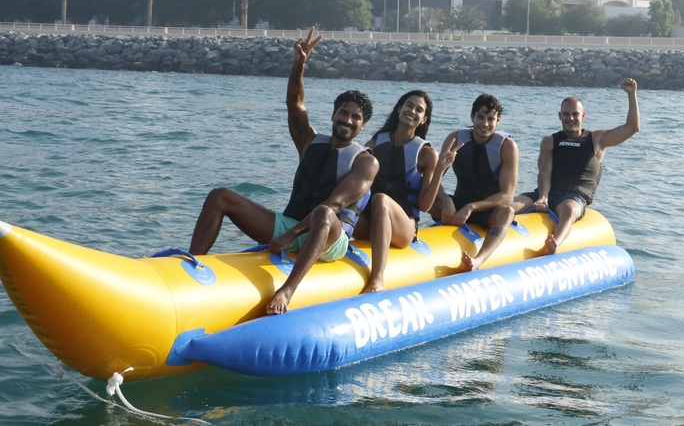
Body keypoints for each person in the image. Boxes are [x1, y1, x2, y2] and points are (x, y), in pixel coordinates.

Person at [185, 27, 378, 315]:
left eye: (355, 117)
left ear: (362, 127)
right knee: (219, 196)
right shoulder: (310, 142)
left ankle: (287, 291)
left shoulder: (365, 161)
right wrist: (298, 65)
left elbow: (335, 204)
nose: (347, 120)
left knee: (325, 212)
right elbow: (295, 104)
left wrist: (290, 237)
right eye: (343, 112)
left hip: (330, 238)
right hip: (290, 225)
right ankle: (190, 266)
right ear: (333, 114)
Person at [513, 77, 640, 255]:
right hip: (546, 193)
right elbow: (545, 171)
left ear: (583, 116)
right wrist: (542, 197)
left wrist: (631, 94)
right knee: (512, 205)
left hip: (574, 197)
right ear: (559, 115)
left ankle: (553, 244)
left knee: (569, 209)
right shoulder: (550, 141)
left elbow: (631, 128)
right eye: (566, 114)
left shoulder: (597, 139)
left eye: (575, 114)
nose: (570, 118)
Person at [353, 90, 460, 293]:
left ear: (423, 119)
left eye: (419, 110)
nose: (412, 111)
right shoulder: (374, 144)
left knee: (381, 200)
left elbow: (425, 206)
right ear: (399, 108)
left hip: (404, 228)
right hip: (372, 223)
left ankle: (377, 279)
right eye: (409, 105)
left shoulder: (426, 153)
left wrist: (439, 170)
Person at [432, 93, 519, 272]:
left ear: (498, 120)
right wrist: (446, 200)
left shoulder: (507, 146)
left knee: (507, 211)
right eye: (480, 117)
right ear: (472, 116)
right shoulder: (455, 139)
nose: (485, 124)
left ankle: (478, 260)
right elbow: (433, 180)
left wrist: (471, 207)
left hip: (488, 211)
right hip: (457, 204)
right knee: (427, 198)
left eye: (491, 119)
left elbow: (507, 195)